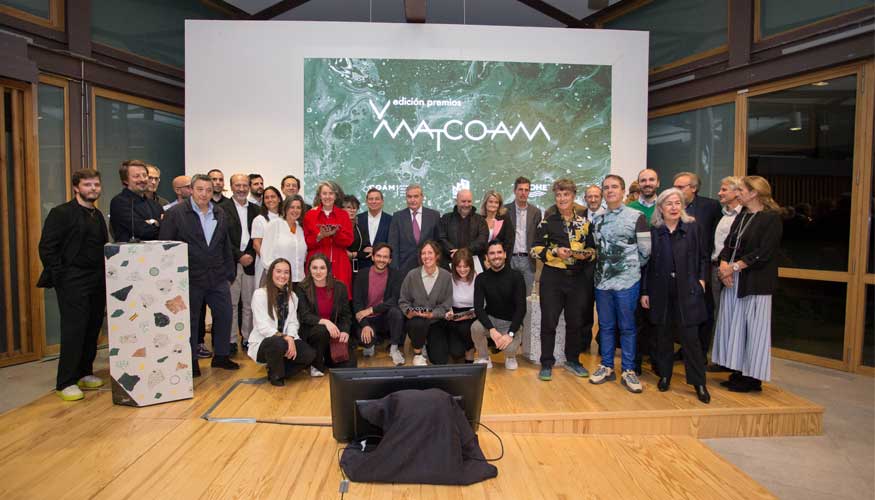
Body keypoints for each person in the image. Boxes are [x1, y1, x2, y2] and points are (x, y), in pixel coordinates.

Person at [38, 169, 109, 401]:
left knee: (92, 326)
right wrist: (62, 275)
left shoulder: (97, 215)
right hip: (72, 280)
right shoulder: (62, 213)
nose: (93, 189)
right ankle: (65, 381)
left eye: (96, 185)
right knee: (74, 329)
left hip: (97, 279)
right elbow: (47, 247)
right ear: (76, 187)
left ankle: (84, 372)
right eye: (88, 185)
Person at [159, 174, 240, 376]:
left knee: (224, 315)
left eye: (208, 190)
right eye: (200, 189)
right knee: (192, 320)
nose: (204, 194)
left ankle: (221, 356)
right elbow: (165, 246)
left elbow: (224, 245)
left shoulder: (219, 213)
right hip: (189, 277)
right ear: (191, 190)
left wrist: (229, 274)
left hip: (218, 276)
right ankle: (190, 360)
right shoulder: (176, 213)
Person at [712, 176, 782, 393]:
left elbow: (764, 253)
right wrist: (724, 266)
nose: (738, 193)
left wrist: (732, 268)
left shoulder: (771, 219)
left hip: (755, 283)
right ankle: (738, 371)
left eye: (741, 190)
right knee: (735, 327)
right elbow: (728, 245)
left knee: (754, 330)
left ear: (754, 193)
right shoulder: (742, 215)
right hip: (734, 280)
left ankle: (753, 376)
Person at [640, 188, 710, 404]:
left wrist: (701, 280)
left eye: (677, 203)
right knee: (663, 336)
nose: (673, 207)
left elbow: (704, 257)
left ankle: (699, 383)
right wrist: (644, 291)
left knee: (691, 339)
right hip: (660, 290)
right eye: (669, 204)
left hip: (687, 290)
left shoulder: (693, 227)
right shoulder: (654, 231)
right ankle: (665, 375)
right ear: (660, 208)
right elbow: (646, 265)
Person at [531, 178, 597, 381]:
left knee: (575, 322)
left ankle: (573, 360)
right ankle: (547, 363)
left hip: (577, 279)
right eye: (558, 195)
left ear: (573, 196)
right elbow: (535, 250)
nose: (562, 198)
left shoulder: (585, 223)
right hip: (553, 278)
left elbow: (594, 250)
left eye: (566, 194)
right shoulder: (547, 222)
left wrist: (585, 255)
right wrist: (555, 252)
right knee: (548, 322)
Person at [590, 174, 651, 393]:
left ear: (623, 191)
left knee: (627, 327)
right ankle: (606, 366)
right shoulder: (597, 220)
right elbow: (598, 250)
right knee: (606, 326)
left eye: (614, 187)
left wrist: (628, 269)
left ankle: (628, 369)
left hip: (628, 283)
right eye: (606, 188)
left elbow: (646, 251)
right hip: (603, 283)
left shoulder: (637, 217)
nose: (610, 191)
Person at [673, 171, 723, 360]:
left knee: (702, 309)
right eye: (674, 186)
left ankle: (700, 352)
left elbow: (717, 236)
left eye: (680, 187)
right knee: (679, 309)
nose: (675, 190)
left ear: (693, 188)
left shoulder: (710, 207)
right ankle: (683, 348)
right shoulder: (672, 207)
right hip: (677, 267)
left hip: (702, 267)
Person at [247, 258, 316, 386]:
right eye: (278, 271)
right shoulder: (260, 294)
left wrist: (290, 337)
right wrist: (286, 338)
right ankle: (276, 375)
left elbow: (293, 323)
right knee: (277, 342)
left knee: (309, 354)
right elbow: (263, 327)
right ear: (271, 273)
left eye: (286, 272)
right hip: (265, 343)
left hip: (284, 341)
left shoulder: (293, 297)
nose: (282, 276)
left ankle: (278, 369)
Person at [296, 254, 356, 375]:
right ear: (309, 269)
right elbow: (304, 315)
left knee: (348, 367)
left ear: (328, 269)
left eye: (322, 268)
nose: (318, 271)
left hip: (334, 333)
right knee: (321, 330)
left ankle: (327, 358)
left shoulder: (340, 287)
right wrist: (325, 322)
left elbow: (346, 315)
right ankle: (316, 363)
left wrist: (345, 331)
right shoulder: (302, 288)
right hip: (313, 333)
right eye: (314, 268)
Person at [471, 240, 526, 370]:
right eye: (492, 253)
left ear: (505, 254)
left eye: (499, 252)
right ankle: (484, 357)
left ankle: (510, 357)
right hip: (491, 320)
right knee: (475, 327)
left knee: (509, 349)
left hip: (510, 323)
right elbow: (478, 308)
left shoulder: (516, 277)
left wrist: (511, 333)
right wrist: (491, 329)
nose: (496, 256)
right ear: (487, 257)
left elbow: (521, 308)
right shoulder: (481, 278)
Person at [398, 240, 453, 366]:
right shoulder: (412, 275)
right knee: (418, 324)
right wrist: (409, 312)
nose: (426, 256)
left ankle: (427, 343)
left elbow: (446, 304)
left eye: (430, 253)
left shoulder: (446, 277)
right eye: (423, 253)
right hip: (416, 321)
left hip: (435, 321)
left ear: (437, 255)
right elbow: (403, 300)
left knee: (440, 360)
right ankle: (418, 353)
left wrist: (432, 314)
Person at [223, 173, 259, 353]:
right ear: (231, 186)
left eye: (245, 185)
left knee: (249, 303)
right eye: (238, 185)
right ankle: (230, 341)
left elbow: (260, 237)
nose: (242, 189)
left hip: (251, 262)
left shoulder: (256, 210)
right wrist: (239, 255)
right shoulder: (221, 208)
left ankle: (247, 338)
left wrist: (251, 254)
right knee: (231, 304)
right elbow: (222, 238)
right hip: (231, 262)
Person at [709, 176, 742, 372]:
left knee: (731, 315)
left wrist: (729, 268)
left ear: (737, 192)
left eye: (724, 190)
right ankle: (721, 358)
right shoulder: (724, 215)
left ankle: (732, 360)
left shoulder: (743, 217)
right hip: (716, 269)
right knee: (718, 313)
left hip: (732, 272)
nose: (720, 193)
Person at [353, 243, 405, 361]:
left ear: (390, 260)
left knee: (396, 312)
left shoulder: (396, 275)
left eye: (385, 257)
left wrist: (372, 309)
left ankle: (394, 348)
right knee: (366, 343)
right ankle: (371, 341)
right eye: (378, 256)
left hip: (385, 317)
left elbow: (395, 300)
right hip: (367, 319)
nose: (381, 260)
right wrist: (365, 325)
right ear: (372, 257)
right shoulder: (361, 275)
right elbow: (357, 303)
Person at [303, 181, 355, 299]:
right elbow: (307, 243)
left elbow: (349, 240)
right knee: (315, 298)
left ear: (336, 196)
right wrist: (320, 236)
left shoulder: (343, 215)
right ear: (319, 196)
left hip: (339, 263)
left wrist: (335, 234)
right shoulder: (310, 215)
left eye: (331, 193)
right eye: (324, 193)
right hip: (316, 263)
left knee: (339, 299)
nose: (327, 197)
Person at [388, 184, 441, 277]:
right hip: (404, 269)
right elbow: (393, 245)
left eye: (416, 196)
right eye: (409, 197)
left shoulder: (434, 216)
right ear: (406, 198)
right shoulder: (398, 217)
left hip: (428, 266)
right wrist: (394, 269)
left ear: (422, 197)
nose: (412, 200)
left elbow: (438, 243)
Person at [109, 159, 163, 242]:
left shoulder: (155, 205)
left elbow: (167, 229)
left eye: (145, 175)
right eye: (136, 176)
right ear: (125, 180)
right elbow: (142, 231)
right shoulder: (119, 202)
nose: (142, 180)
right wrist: (157, 223)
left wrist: (152, 223)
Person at [505, 176, 542, 295]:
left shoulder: (536, 212)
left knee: (526, 297)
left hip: (528, 260)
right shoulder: (505, 210)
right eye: (520, 189)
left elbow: (537, 236)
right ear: (514, 191)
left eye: (526, 190)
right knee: (508, 295)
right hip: (510, 259)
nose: (523, 193)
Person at [261, 195, 308, 288]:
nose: (295, 210)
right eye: (292, 207)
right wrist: (276, 276)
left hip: (299, 281)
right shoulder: (275, 225)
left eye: (298, 207)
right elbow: (265, 254)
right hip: (279, 281)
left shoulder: (300, 229)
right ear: (285, 208)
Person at [441, 249, 478, 364]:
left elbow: (481, 306)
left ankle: (470, 353)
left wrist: (464, 316)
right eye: (459, 266)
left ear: (471, 266)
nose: (462, 270)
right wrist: (449, 311)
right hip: (454, 315)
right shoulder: (449, 278)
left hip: (471, 314)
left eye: (465, 266)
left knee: (465, 329)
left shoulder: (478, 278)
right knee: (456, 352)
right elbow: (445, 301)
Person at [438, 189, 488, 268]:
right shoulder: (446, 218)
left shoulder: (480, 220)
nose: (466, 204)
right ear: (456, 201)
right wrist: (454, 253)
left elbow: (482, 240)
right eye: (463, 201)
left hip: (474, 264)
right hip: (449, 263)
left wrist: (464, 252)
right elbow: (441, 238)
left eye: (469, 201)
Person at [582, 184, 603, 351]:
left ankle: (603, 343)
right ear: (585, 198)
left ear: (601, 197)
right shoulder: (578, 217)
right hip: (584, 271)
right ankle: (584, 343)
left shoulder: (609, 215)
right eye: (590, 196)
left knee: (605, 309)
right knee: (585, 308)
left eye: (596, 196)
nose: (593, 199)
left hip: (606, 270)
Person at [251, 186, 283, 286]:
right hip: (266, 266)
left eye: (273, 197)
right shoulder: (259, 219)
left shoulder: (286, 218)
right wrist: (269, 264)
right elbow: (256, 245)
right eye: (266, 197)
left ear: (279, 198)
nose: (270, 200)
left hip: (284, 265)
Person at [356, 188, 392, 272]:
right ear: (366, 201)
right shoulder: (358, 219)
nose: (374, 201)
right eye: (371, 199)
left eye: (377, 199)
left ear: (382, 201)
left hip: (383, 266)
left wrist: (376, 249)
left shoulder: (391, 220)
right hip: (361, 266)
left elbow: (392, 243)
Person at [481, 190, 514, 267]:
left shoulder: (505, 219)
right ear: (485, 203)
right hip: (484, 262)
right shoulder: (479, 220)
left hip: (500, 261)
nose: (493, 204)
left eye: (496, 202)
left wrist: (502, 260)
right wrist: (485, 259)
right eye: (491, 202)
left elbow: (509, 242)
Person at [342, 195, 367, 276]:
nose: (352, 210)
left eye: (354, 208)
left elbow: (367, 252)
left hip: (356, 267)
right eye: (349, 207)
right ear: (342, 209)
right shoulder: (336, 227)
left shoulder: (361, 228)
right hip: (339, 265)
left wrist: (354, 255)